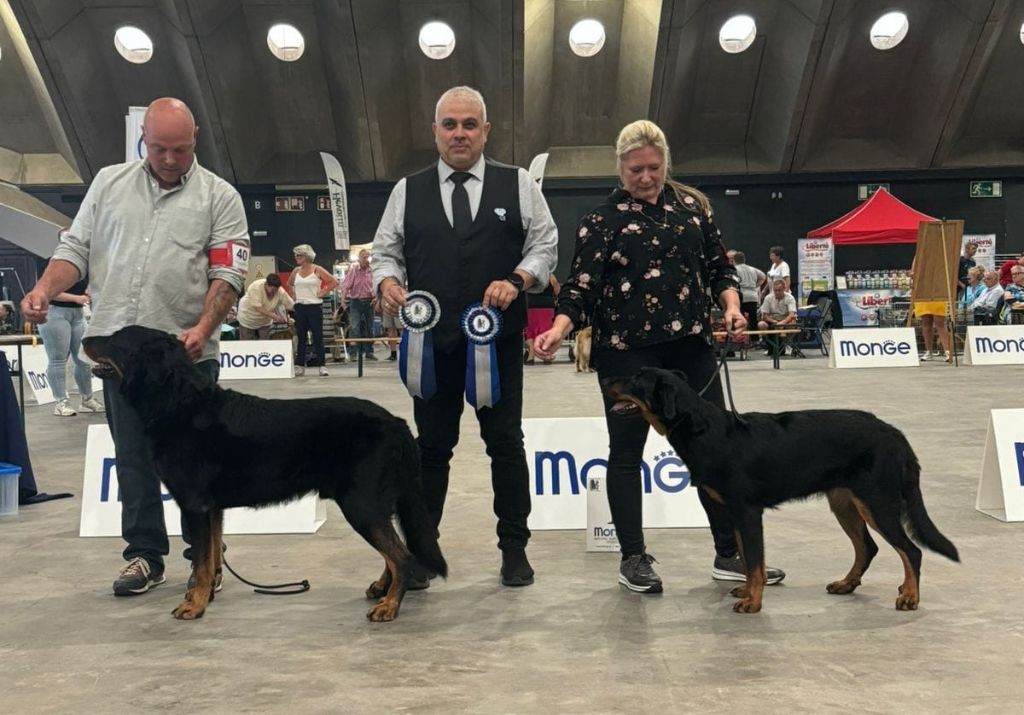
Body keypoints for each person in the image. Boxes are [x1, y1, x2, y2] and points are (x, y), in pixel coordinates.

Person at [533, 119, 785, 594]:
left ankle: (729, 554)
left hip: (691, 347)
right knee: (626, 454)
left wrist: (731, 306)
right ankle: (633, 556)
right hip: (626, 355)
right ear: (620, 168)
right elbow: (581, 287)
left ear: (665, 161)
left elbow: (718, 268)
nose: (645, 177)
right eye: (635, 170)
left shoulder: (692, 208)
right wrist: (559, 328)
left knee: (718, 453)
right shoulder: (600, 221)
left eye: (653, 167)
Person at [21, 97, 250, 596]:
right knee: (133, 459)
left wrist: (205, 327)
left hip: (186, 360)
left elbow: (228, 271)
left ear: (196, 142)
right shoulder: (108, 183)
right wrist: (44, 287)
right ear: (144, 139)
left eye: (181, 150)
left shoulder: (221, 196)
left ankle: (203, 557)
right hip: (121, 364)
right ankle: (144, 555)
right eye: (160, 148)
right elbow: (74, 249)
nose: (170, 159)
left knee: (196, 464)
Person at [373, 85, 558, 587]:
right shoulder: (405, 191)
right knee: (430, 451)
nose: (459, 134)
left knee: (506, 446)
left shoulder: (517, 183)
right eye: (450, 124)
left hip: (496, 347)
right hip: (429, 348)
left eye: (469, 124)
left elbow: (545, 245)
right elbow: (385, 251)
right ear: (435, 131)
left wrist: (518, 279)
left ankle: (514, 549)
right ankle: (420, 554)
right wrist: (388, 281)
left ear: (486, 131)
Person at [37, 240, 105, 417]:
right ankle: (60, 401)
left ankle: (87, 399)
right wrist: (76, 298)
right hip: (55, 312)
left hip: (77, 314)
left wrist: (89, 289)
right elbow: (49, 292)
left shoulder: (85, 266)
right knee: (58, 359)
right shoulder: (49, 263)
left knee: (83, 357)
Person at [287, 244, 337, 376]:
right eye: (296, 255)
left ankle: (322, 365)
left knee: (317, 336)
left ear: (307, 257)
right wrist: (293, 294)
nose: (296, 257)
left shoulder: (317, 269)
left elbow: (334, 281)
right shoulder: (296, 271)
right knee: (301, 337)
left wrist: (324, 291)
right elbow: (290, 284)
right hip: (300, 307)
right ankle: (300, 365)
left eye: (299, 255)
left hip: (314, 306)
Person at [340, 249, 376, 360]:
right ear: (359, 259)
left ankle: (369, 352)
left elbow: (378, 287)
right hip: (355, 302)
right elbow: (346, 286)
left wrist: (376, 298)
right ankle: (353, 353)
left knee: (370, 328)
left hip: (370, 302)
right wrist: (342, 300)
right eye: (364, 257)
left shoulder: (373, 271)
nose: (366, 259)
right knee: (355, 327)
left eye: (367, 257)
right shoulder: (354, 271)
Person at [236, 273, 294, 340]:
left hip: (265, 321)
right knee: (247, 343)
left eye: (275, 290)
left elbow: (291, 305)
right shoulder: (255, 287)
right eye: (272, 290)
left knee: (266, 343)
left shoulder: (280, 291)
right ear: (266, 284)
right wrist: (275, 316)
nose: (273, 292)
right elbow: (258, 308)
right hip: (247, 317)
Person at [524, 274, 560, 365]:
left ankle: (530, 356)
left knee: (530, 331)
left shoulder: (529, 274)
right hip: (547, 305)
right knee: (546, 331)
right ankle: (546, 356)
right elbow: (557, 291)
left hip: (531, 304)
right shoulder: (550, 276)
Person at [758, 279, 799, 356]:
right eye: (775, 290)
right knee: (761, 324)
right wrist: (774, 322)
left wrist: (782, 323)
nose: (777, 292)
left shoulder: (790, 298)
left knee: (792, 324)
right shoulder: (768, 298)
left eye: (779, 290)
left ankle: (787, 345)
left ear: (784, 289)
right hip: (772, 320)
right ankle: (769, 346)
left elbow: (792, 314)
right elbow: (764, 315)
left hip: (785, 320)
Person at [731, 250, 766, 326]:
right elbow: (763, 276)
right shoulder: (752, 269)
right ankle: (755, 337)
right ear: (744, 260)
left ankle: (740, 337)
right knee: (753, 320)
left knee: (740, 319)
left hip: (741, 296)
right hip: (753, 296)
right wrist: (756, 285)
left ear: (733, 260)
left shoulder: (734, 269)